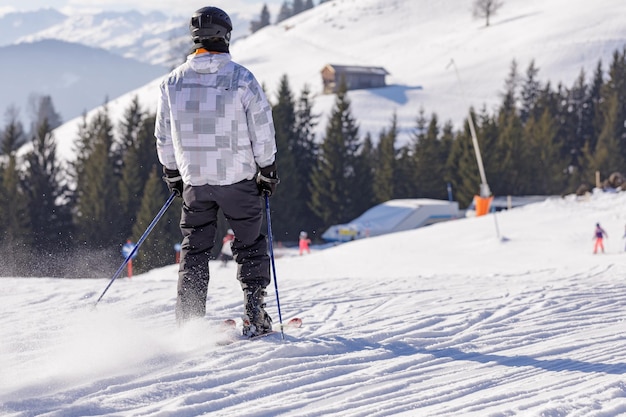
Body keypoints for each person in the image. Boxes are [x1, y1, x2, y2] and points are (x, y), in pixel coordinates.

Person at [154, 6, 279, 337]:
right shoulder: (241, 78)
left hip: (195, 182)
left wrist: (173, 174)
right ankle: (255, 314)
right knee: (250, 245)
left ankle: (189, 324)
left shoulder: (172, 82)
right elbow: (262, 130)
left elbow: (163, 136)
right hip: (238, 181)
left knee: (195, 249)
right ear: (225, 35)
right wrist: (266, 170)